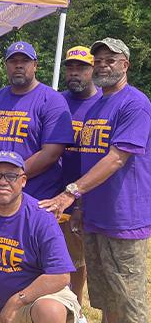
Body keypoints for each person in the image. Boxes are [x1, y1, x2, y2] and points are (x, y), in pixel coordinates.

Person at [40, 38, 151, 323]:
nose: (103, 65)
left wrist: (71, 193)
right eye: (98, 60)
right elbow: (88, 161)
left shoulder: (135, 104)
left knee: (129, 303)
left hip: (123, 219)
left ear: (125, 65)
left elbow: (116, 159)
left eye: (110, 60)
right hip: (95, 217)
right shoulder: (96, 107)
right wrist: (80, 208)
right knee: (105, 299)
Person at [0, 151, 81, 323]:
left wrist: (17, 301)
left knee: (50, 310)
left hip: (37, 299)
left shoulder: (41, 218)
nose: (2, 181)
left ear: (23, 181)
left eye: (11, 176)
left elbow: (60, 276)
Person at [0, 41, 73, 202]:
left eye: (25, 61)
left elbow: (51, 153)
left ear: (35, 65)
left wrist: (11, 177)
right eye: (13, 61)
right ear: (6, 65)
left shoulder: (52, 100)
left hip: (37, 197)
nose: (18, 65)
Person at [58, 46, 101, 303]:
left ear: (93, 69)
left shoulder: (103, 102)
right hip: (55, 186)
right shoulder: (57, 101)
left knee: (77, 254)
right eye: (70, 67)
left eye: (82, 67)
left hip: (86, 189)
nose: (75, 72)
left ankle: (76, 304)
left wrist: (81, 200)